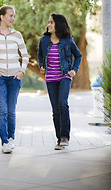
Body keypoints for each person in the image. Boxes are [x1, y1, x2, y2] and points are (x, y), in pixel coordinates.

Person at [0, 5, 29, 153]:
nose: (12, 18)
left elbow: (26, 56)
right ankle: (4, 142)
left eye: (14, 16)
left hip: (15, 78)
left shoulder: (17, 35)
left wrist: (22, 71)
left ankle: (11, 138)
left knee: (11, 111)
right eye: (10, 15)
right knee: (2, 110)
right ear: (2, 17)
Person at [38, 13, 82, 150]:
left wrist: (74, 70)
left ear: (59, 24)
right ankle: (59, 139)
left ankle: (64, 137)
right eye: (48, 22)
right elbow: (40, 54)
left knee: (62, 104)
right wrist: (41, 65)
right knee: (55, 110)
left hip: (64, 76)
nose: (48, 25)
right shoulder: (44, 40)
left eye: (51, 22)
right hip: (50, 78)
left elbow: (78, 55)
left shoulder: (68, 40)